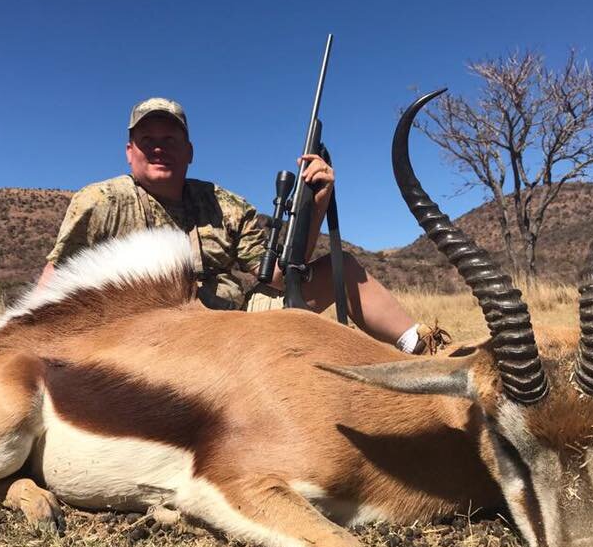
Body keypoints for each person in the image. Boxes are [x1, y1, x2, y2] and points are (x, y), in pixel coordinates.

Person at [40, 97, 449, 355]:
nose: (159, 147)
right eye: (148, 140)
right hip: (148, 340)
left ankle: (423, 350)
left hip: (237, 325)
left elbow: (278, 274)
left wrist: (317, 204)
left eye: (171, 139)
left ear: (190, 152)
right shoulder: (100, 202)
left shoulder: (221, 202)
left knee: (343, 268)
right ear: (130, 152)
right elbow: (55, 281)